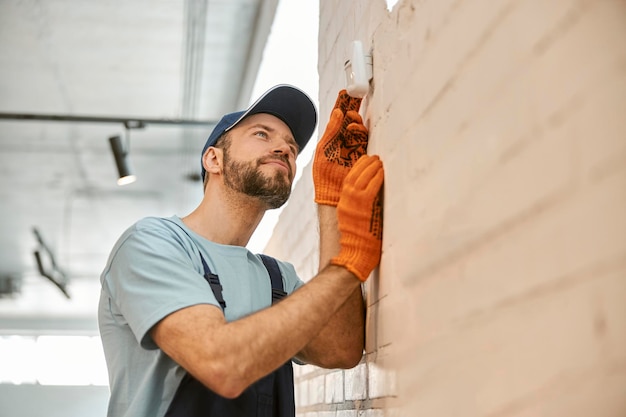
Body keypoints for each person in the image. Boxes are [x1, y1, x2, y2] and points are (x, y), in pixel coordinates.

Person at [98, 84, 384, 417]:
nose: (284, 148)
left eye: (292, 146)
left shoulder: (276, 278)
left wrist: (331, 202)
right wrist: (347, 267)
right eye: (262, 134)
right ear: (213, 159)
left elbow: (342, 348)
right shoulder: (152, 244)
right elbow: (221, 364)